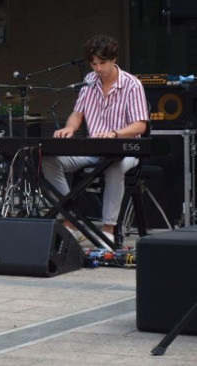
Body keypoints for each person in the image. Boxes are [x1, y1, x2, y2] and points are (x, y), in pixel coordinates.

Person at [42, 34, 148, 245]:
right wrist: (70, 127)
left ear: (114, 59)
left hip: (126, 150)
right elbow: (77, 113)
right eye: (94, 64)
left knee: (114, 166)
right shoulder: (89, 81)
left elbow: (140, 125)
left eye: (103, 63)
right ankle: (70, 220)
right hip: (93, 150)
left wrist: (115, 134)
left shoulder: (132, 85)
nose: (98, 69)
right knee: (49, 160)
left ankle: (107, 228)